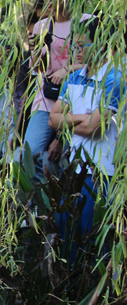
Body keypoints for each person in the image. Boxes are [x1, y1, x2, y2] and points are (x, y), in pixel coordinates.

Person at [49, 16, 122, 237]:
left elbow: (94, 129)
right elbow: (53, 119)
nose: (77, 51)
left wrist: (68, 121)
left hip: (99, 172)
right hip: (73, 169)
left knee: (91, 234)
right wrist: (83, 118)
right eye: (75, 46)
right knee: (66, 232)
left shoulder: (114, 79)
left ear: (101, 43)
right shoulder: (73, 78)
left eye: (83, 45)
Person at [26, 0, 92, 181]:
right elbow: (38, 69)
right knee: (30, 153)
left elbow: (95, 61)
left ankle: (61, 205)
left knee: (64, 160)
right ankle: (37, 203)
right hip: (47, 98)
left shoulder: (86, 21)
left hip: (76, 99)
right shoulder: (42, 25)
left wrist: (69, 69)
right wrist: (35, 50)